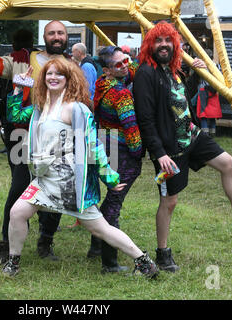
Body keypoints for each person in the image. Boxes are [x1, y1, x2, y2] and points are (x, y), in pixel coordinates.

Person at [133, 21, 232, 273]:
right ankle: (163, 252)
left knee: (229, 164)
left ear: (175, 44)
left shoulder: (173, 69)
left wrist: (196, 73)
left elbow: (181, 100)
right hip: (170, 150)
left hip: (192, 136)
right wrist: (159, 153)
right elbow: (145, 118)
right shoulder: (146, 73)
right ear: (150, 44)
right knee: (170, 201)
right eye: (159, 40)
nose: (164, 45)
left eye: (168, 40)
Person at [3, 58, 158, 279]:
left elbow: (93, 145)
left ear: (69, 80)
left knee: (99, 228)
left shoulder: (77, 109)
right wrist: (18, 89)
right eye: (49, 74)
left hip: (70, 183)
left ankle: (144, 262)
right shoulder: (41, 106)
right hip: (44, 178)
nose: (53, 78)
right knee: (17, 213)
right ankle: (13, 263)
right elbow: (15, 116)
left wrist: (110, 178)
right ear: (43, 78)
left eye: (59, 74)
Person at [0, 13, 72, 263]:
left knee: (56, 187)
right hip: (23, 134)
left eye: (60, 33)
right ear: (44, 37)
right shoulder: (22, 60)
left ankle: (46, 241)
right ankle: (5, 246)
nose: (56, 37)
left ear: (66, 37)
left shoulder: (72, 67)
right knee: (19, 186)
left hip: (57, 138)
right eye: (52, 33)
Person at [88, 46, 143, 273]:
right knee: (113, 204)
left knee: (110, 198)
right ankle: (109, 262)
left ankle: (96, 248)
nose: (126, 66)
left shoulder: (102, 83)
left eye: (127, 60)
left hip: (105, 142)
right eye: (119, 64)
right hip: (121, 151)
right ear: (108, 70)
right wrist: (138, 153)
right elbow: (131, 127)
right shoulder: (120, 94)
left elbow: (133, 69)